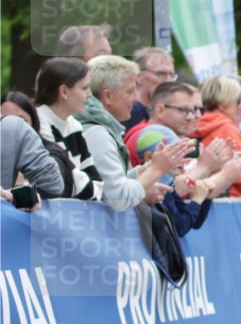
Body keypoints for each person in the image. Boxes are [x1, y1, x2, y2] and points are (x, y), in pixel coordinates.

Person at [79, 55, 188, 210]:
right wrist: (157, 169)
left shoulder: (102, 130)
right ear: (108, 96)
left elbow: (116, 183)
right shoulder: (97, 134)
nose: (136, 98)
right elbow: (118, 198)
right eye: (130, 91)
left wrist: (150, 167)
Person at [34, 58, 103, 200]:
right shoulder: (39, 123)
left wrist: (90, 188)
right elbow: (66, 178)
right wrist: (91, 190)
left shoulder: (74, 125)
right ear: (64, 91)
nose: (90, 94)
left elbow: (93, 177)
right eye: (84, 88)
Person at [192, 76, 241, 201]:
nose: (239, 106)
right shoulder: (227, 129)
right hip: (229, 203)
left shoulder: (193, 124)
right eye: (236, 101)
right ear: (223, 104)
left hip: (200, 198)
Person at [1, 92, 65, 196]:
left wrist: (19, 194)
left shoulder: (53, 153)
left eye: (21, 120)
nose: (10, 136)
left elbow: (55, 186)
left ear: (33, 121)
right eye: (4, 118)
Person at [121, 47, 176, 130]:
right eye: (161, 74)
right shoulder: (130, 112)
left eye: (171, 75)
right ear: (138, 77)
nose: (168, 80)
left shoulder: (160, 113)